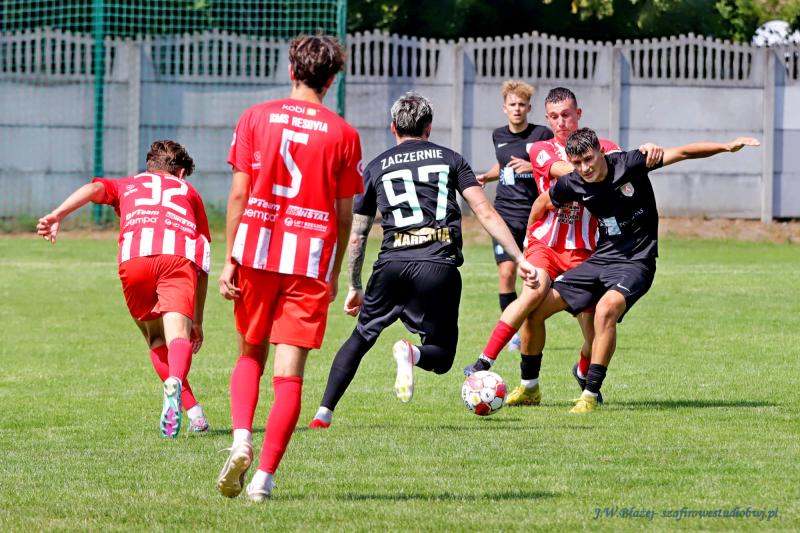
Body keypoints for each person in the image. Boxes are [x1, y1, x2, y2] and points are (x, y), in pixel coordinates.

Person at [307, 91, 537, 430]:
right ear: (429, 127)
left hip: (392, 265)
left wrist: (354, 285)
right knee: (442, 357)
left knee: (361, 336)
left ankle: (322, 413)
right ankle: (412, 353)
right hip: (438, 266)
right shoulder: (451, 159)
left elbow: (357, 235)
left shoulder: (376, 166)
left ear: (393, 127)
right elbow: (485, 211)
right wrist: (519, 257)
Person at [215, 34, 364, 502]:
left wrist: (230, 257)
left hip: (257, 252)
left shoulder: (255, 117)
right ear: (332, 79)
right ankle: (263, 479)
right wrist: (334, 270)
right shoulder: (344, 134)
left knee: (249, 353)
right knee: (290, 374)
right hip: (309, 259)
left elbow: (239, 194)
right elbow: (344, 215)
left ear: (291, 70)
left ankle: (241, 439)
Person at [527, 127, 759, 413]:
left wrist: (727, 146)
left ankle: (589, 394)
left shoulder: (631, 163)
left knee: (606, 310)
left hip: (637, 262)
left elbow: (684, 152)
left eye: (588, 159)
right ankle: (529, 387)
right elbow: (542, 202)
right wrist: (530, 241)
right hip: (600, 260)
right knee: (535, 311)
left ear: (601, 151)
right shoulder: (572, 182)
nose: (584, 168)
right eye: (577, 163)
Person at [464, 87, 661, 407]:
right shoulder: (542, 149)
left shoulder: (605, 148)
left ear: (578, 114)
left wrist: (646, 151)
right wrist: (606, 161)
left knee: (593, 330)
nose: (560, 122)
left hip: (588, 251)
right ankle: (493, 366)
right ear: (547, 119)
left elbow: (623, 164)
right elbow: (572, 171)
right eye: (554, 117)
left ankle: (584, 371)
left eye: (566, 115)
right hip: (547, 243)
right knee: (532, 297)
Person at [36, 140, 211, 438]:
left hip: (135, 260)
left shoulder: (128, 184)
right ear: (181, 174)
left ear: (150, 167)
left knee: (156, 338)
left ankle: (195, 413)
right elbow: (203, 258)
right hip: (176, 257)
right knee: (178, 337)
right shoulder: (190, 193)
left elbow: (94, 189)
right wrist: (197, 320)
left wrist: (58, 214)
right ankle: (176, 383)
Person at [477, 80, 553, 351]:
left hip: (534, 216)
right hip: (505, 215)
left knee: (531, 277)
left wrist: (532, 166)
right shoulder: (498, 135)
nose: (517, 109)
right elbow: (503, 164)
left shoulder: (542, 134)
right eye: (513, 104)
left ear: (529, 108)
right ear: (504, 108)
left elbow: (553, 164)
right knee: (506, 273)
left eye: (522, 104)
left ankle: (525, 326)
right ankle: (511, 335)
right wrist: (486, 176)